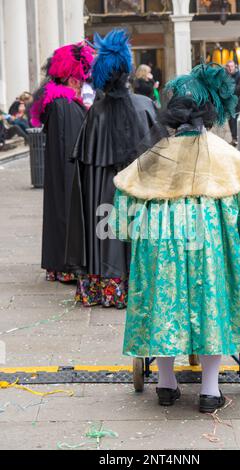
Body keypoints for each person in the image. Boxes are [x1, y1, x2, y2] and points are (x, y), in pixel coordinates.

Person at [111, 63, 240, 413]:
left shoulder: (155, 154)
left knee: (163, 301)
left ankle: (166, 383)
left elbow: (124, 198)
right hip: (208, 241)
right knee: (211, 302)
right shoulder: (221, 153)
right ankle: (209, 389)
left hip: (160, 239)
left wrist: (131, 233)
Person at [65, 30, 157, 308]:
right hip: (139, 191)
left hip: (104, 192)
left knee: (106, 230)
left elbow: (85, 164)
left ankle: (106, 284)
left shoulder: (96, 112)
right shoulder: (146, 106)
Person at [30, 42, 94, 282]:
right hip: (69, 175)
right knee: (67, 214)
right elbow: (71, 146)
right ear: (72, 80)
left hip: (63, 173)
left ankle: (60, 264)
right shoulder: (64, 106)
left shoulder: (61, 104)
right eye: (80, 79)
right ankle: (67, 265)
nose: (82, 84)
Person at [225, 60, 240, 146]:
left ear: (235, 67)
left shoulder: (239, 76)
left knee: (236, 120)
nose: (230, 68)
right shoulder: (224, 76)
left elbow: (238, 89)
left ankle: (237, 138)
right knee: (230, 120)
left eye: (232, 66)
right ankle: (234, 138)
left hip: (238, 102)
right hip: (228, 102)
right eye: (228, 66)